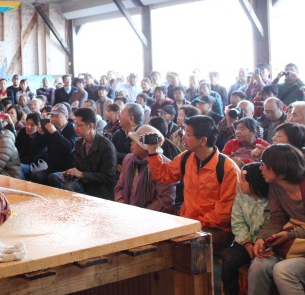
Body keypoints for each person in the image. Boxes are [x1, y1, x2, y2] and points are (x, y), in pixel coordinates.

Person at [146, 116, 240, 253]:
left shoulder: (227, 168)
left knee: (184, 245)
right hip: (189, 222)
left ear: (203, 140)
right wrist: (153, 151)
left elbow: (224, 212)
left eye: (187, 133)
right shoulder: (187, 157)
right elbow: (163, 175)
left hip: (216, 229)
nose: (183, 136)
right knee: (156, 235)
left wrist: (195, 224)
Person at [248, 144, 305, 294]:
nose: (261, 169)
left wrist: (290, 235)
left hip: (297, 240)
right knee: (259, 264)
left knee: (282, 270)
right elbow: (277, 218)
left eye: (264, 164)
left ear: (280, 167)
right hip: (295, 244)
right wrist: (263, 238)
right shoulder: (276, 186)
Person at [221, 162, 270, 295]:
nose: (239, 183)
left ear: (255, 182)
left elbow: (274, 224)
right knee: (229, 261)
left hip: (267, 244)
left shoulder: (271, 199)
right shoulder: (240, 197)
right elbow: (238, 222)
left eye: (244, 180)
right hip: (244, 242)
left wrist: (262, 243)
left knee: (262, 267)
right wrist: (246, 242)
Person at [47, 108, 116, 200]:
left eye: (79, 125)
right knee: (54, 177)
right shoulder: (79, 143)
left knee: (69, 186)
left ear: (90, 126)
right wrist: (70, 174)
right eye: (75, 124)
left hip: (98, 187)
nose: (75, 128)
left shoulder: (106, 146)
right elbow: (79, 168)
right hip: (83, 181)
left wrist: (82, 174)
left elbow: (107, 176)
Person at [115, 125, 176, 212]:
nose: (131, 143)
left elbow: (166, 200)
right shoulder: (129, 159)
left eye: (134, 141)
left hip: (151, 218)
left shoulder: (164, 165)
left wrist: (141, 213)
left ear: (145, 146)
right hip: (126, 213)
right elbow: (120, 185)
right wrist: (121, 200)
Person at [30, 103, 78, 184]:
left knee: (52, 178)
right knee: (35, 175)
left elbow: (69, 148)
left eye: (57, 116)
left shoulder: (72, 129)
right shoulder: (50, 130)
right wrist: (39, 134)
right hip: (52, 168)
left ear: (66, 117)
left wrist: (55, 132)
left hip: (67, 171)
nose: (53, 119)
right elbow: (36, 148)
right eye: (52, 116)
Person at [15, 112, 48, 180]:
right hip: (21, 160)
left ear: (38, 126)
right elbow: (16, 148)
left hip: (34, 164)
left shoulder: (42, 137)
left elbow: (34, 158)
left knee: (17, 167)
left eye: (32, 125)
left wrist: (17, 161)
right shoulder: (23, 131)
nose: (28, 127)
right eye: (27, 123)